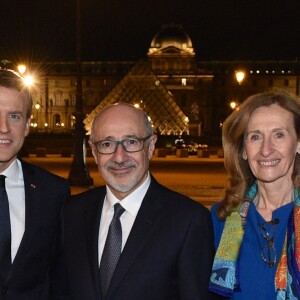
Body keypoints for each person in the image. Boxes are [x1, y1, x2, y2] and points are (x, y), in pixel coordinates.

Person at [64, 102, 217, 300]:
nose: (119, 157)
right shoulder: (71, 213)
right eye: (107, 144)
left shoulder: (189, 221)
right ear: (93, 151)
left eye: (131, 142)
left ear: (151, 146)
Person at [209, 88, 300, 299]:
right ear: (242, 150)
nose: (266, 150)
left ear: (297, 143)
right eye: (255, 137)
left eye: (279, 134)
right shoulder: (220, 219)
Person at [0, 68, 70, 299]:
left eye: (14, 116)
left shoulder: (54, 192)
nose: (4, 128)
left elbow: (60, 275)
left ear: (27, 125)